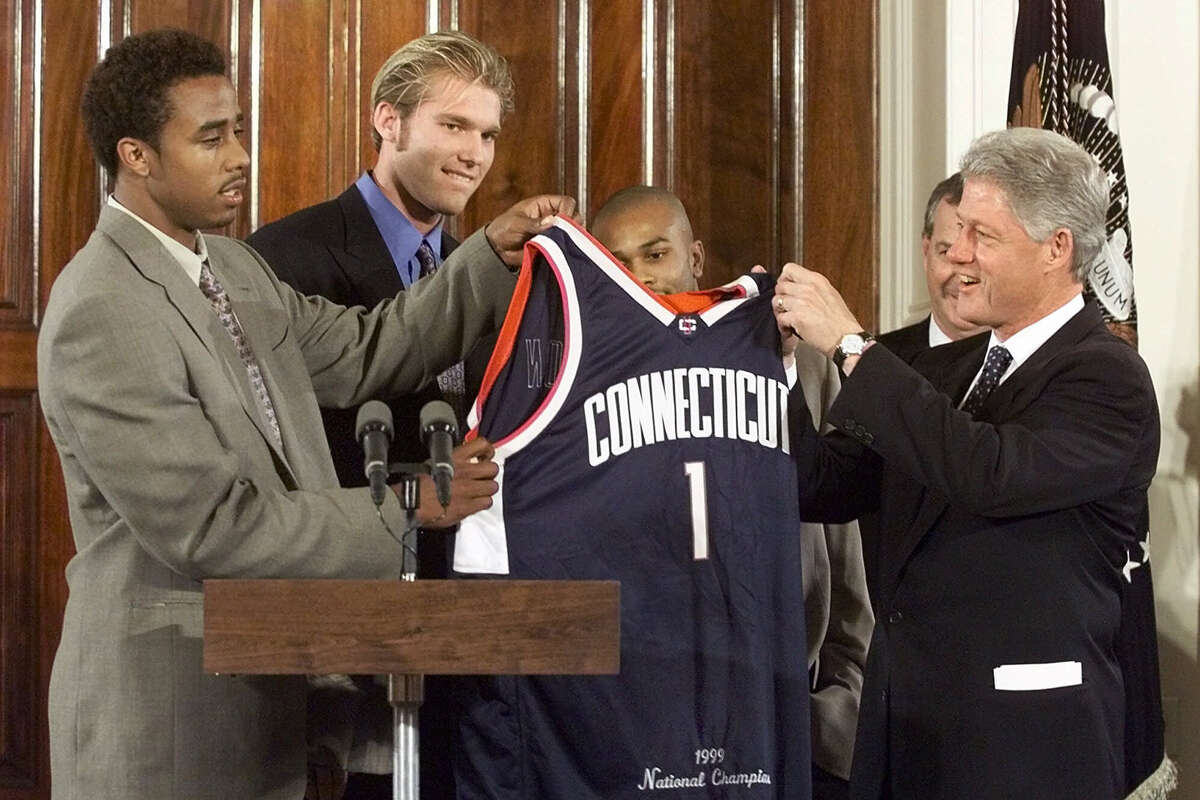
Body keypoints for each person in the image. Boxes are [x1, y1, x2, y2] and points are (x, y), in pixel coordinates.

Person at [39, 28, 571, 800]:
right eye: (211, 139)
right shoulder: (100, 307)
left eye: (240, 131)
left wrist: (490, 252)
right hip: (170, 721)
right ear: (137, 156)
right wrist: (412, 506)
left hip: (269, 706)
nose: (239, 158)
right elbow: (212, 526)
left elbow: (366, 349)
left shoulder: (230, 265)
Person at [773, 127, 1159, 799]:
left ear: (1056, 248)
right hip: (905, 738)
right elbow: (823, 486)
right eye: (955, 235)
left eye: (984, 235)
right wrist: (773, 368)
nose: (960, 256)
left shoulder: (1107, 378)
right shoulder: (938, 370)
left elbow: (987, 472)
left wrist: (852, 347)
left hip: (1025, 750)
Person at [246, 31, 514, 798]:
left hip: (458, 629)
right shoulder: (286, 258)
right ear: (387, 121)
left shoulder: (489, 274)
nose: (474, 153)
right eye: (453, 126)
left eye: (488, 133)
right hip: (337, 626)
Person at [592, 186, 873, 798]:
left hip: (787, 722)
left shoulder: (797, 362)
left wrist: (836, 706)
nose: (641, 277)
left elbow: (845, 568)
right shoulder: (580, 383)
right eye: (617, 263)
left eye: (656, 253)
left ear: (695, 257)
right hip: (635, 730)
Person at [876, 172, 986, 362]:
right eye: (947, 252)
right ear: (926, 252)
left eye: (979, 256)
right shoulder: (872, 363)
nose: (963, 275)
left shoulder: (1039, 370)